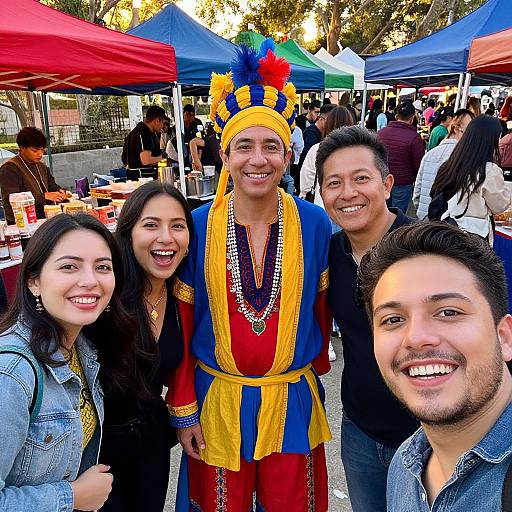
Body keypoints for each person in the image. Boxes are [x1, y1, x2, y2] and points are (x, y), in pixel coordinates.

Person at [168, 41, 333, 511]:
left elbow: (322, 312)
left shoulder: (316, 224)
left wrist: (314, 375)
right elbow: (181, 322)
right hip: (217, 400)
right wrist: (184, 408)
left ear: (287, 155)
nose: (257, 159)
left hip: (291, 399)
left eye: (271, 147)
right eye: (244, 146)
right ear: (225, 153)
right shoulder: (196, 227)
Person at [359, 222, 512, 512]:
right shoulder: (405, 464)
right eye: (392, 319)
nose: (416, 338)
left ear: (504, 337)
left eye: (448, 312)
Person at [0, 213, 137, 511]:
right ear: (33, 281)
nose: (90, 281)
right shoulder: (11, 375)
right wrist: (72, 496)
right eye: (69, 267)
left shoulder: (83, 347)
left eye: (102, 267)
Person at [317, 125, 419, 512]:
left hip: (427, 433)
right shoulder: (330, 252)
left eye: (361, 179)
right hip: (359, 429)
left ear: (388, 183)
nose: (348, 194)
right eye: (334, 183)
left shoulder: (425, 246)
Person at [99, 182, 192, 512]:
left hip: (152, 444)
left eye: (177, 226)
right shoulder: (105, 293)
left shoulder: (182, 295)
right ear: (127, 232)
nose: (166, 238)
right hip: (98, 454)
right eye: (151, 225)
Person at [429, 114, 511, 244]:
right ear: (492, 140)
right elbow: (500, 205)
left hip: (444, 231)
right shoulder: (488, 170)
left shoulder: (451, 163)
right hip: (472, 237)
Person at [0, 127, 70, 224]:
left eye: (42, 150)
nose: (40, 154)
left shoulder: (42, 166)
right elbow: (12, 199)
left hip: (45, 218)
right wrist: (44, 196)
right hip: (22, 223)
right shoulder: (10, 168)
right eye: (35, 150)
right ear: (22, 148)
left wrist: (60, 192)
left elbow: (52, 186)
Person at [413, 109, 474, 219]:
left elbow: (417, 192)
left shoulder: (429, 155)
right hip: (446, 223)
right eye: (469, 133)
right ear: (456, 129)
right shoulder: (464, 158)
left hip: (424, 218)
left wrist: (422, 212)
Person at [299, 106, 354, 208]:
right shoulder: (357, 152)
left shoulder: (317, 149)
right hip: (350, 208)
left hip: (322, 207)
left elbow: (305, 182)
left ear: (328, 124)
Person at [378, 101, 425, 213]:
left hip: (383, 179)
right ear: (412, 118)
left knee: (382, 213)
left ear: (396, 116)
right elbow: (419, 165)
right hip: (403, 182)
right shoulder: (414, 137)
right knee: (398, 215)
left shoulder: (381, 133)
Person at [123, 105, 166, 180]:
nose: (163, 126)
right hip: (142, 179)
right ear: (157, 121)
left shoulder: (148, 132)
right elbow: (146, 160)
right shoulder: (143, 133)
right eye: (163, 122)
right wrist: (164, 158)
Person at [298, 103, 336, 170]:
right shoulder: (310, 134)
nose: (333, 124)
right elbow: (308, 160)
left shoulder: (321, 132)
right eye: (331, 121)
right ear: (321, 119)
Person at [289, 125, 304, 193]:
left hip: (293, 165)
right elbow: (300, 150)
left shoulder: (297, 130)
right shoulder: (297, 130)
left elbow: (300, 150)